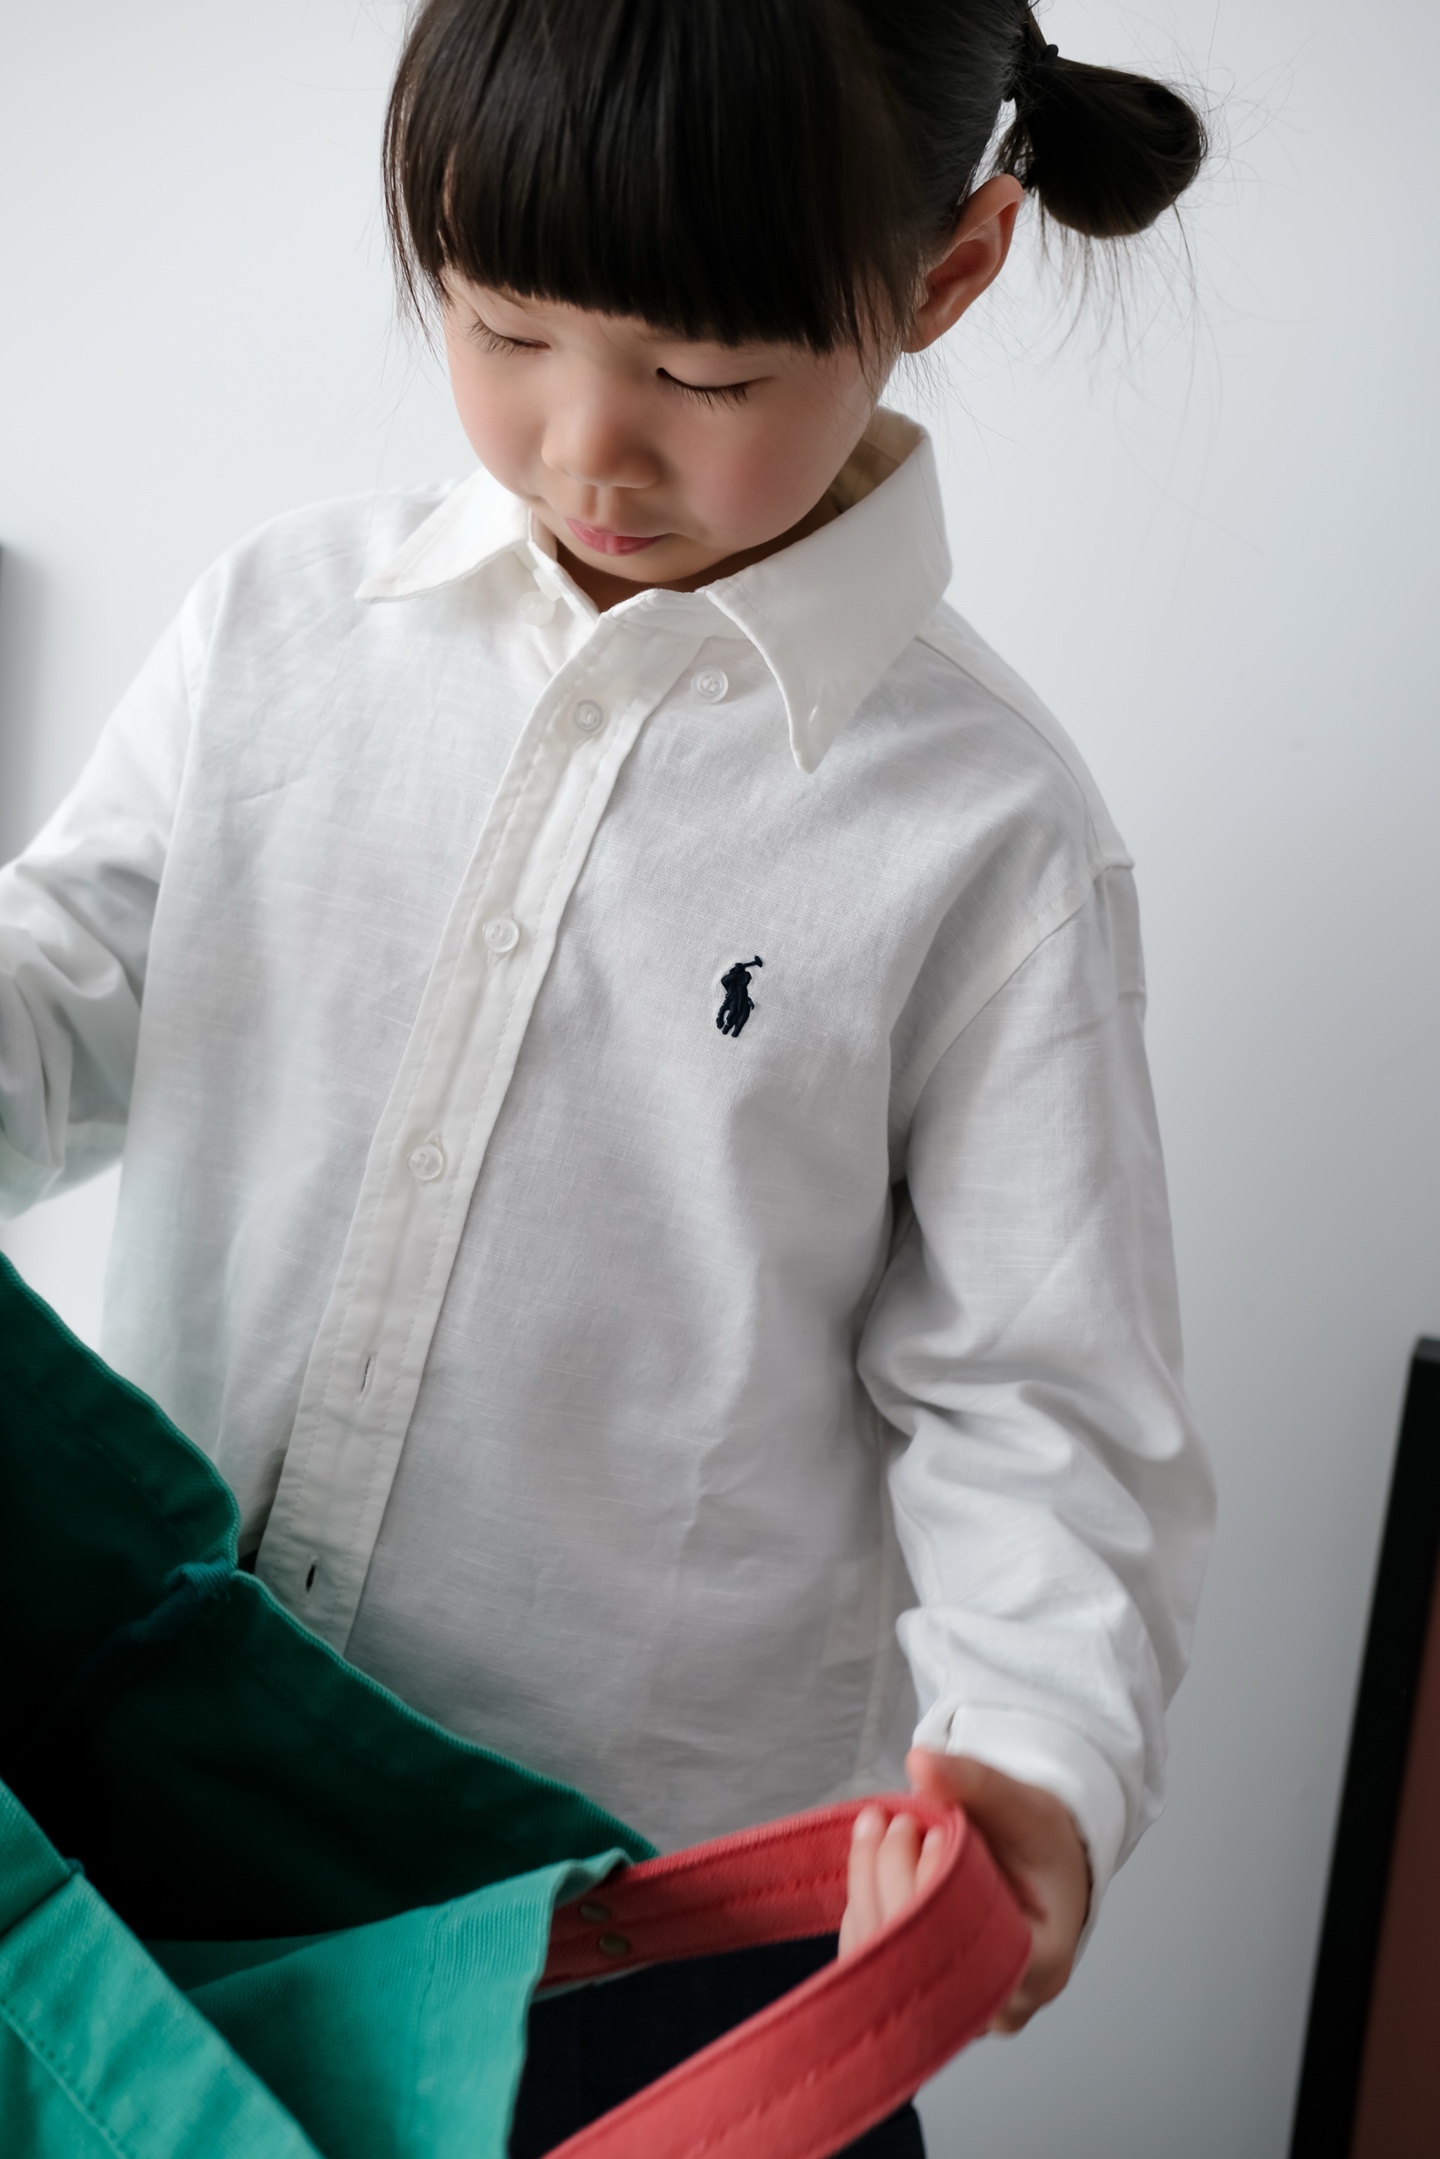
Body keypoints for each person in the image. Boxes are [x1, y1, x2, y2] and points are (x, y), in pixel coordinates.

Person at [0, 1, 1216, 2149]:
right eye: (501, 330)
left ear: (946, 272)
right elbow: (62, 980)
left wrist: (1040, 1764)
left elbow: (1041, 1403)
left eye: (707, 377)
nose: (588, 448)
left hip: (625, 1937)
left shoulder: (986, 837)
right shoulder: (282, 626)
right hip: (163, 1839)